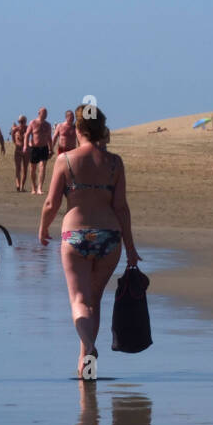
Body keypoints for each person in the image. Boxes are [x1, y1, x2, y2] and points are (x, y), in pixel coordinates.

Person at [37, 104, 140, 379]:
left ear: (78, 130)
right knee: (94, 301)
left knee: (79, 300)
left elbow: (51, 202)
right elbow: (122, 208)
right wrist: (130, 247)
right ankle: (87, 367)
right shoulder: (115, 163)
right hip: (109, 237)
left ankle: (90, 347)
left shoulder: (66, 160)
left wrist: (43, 227)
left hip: (76, 235)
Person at [26, 107, 53, 194]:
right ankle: (33, 187)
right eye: (43, 113)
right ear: (39, 113)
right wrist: (25, 146)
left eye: (46, 113)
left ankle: (40, 188)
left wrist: (51, 149)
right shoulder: (33, 122)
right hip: (34, 148)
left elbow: (49, 138)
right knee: (33, 168)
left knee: (42, 167)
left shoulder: (48, 125)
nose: (45, 114)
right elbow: (27, 135)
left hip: (44, 148)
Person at [10, 115, 29, 192]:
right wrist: (15, 143)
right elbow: (12, 136)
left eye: (22, 121)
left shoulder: (28, 128)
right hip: (18, 150)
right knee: (18, 168)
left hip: (26, 151)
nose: (21, 123)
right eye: (19, 122)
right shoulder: (15, 129)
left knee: (25, 169)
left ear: (25, 121)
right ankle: (18, 185)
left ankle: (22, 186)